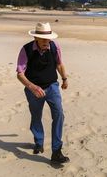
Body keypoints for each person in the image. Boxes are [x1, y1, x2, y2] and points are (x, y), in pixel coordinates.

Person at [16, 22, 70, 164]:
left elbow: (59, 63)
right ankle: (39, 142)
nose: (47, 42)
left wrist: (64, 79)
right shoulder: (26, 50)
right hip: (33, 89)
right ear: (36, 39)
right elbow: (20, 73)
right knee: (36, 116)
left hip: (52, 87)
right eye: (44, 39)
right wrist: (32, 87)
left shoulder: (54, 46)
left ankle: (56, 152)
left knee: (59, 114)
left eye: (49, 39)